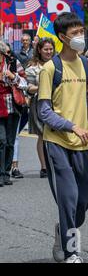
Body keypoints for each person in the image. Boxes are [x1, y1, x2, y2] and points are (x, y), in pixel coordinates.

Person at [37, 12, 88, 263]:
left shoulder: (87, 64)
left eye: (81, 32)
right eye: (75, 33)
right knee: (68, 200)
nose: (80, 37)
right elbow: (43, 111)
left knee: (82, 203)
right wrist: (72, 126)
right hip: (57, 143)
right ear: (62, 37)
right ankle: (71, 252)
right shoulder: (50, 68)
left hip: (84, 145)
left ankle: (62, 231)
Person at [25, 37, 56, 179]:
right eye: (46, 49)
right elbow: (28, 88)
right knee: (42, 135)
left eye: (51, 49)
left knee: (57, 135)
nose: (49, 52)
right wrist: (42, 87)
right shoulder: (32, 67)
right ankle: (44, 167)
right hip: (39, 103)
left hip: (58, 103)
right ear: (39, 50)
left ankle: (57, 165)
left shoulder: (59, 64)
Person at [0, 41, 27, 187]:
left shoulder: (13, 63)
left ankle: (6, 173)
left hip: (13, 107)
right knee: (2, 140)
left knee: (10, 142)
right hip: (0, 108)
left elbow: (25, 82)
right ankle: (0, 174)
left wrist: (13, 77)